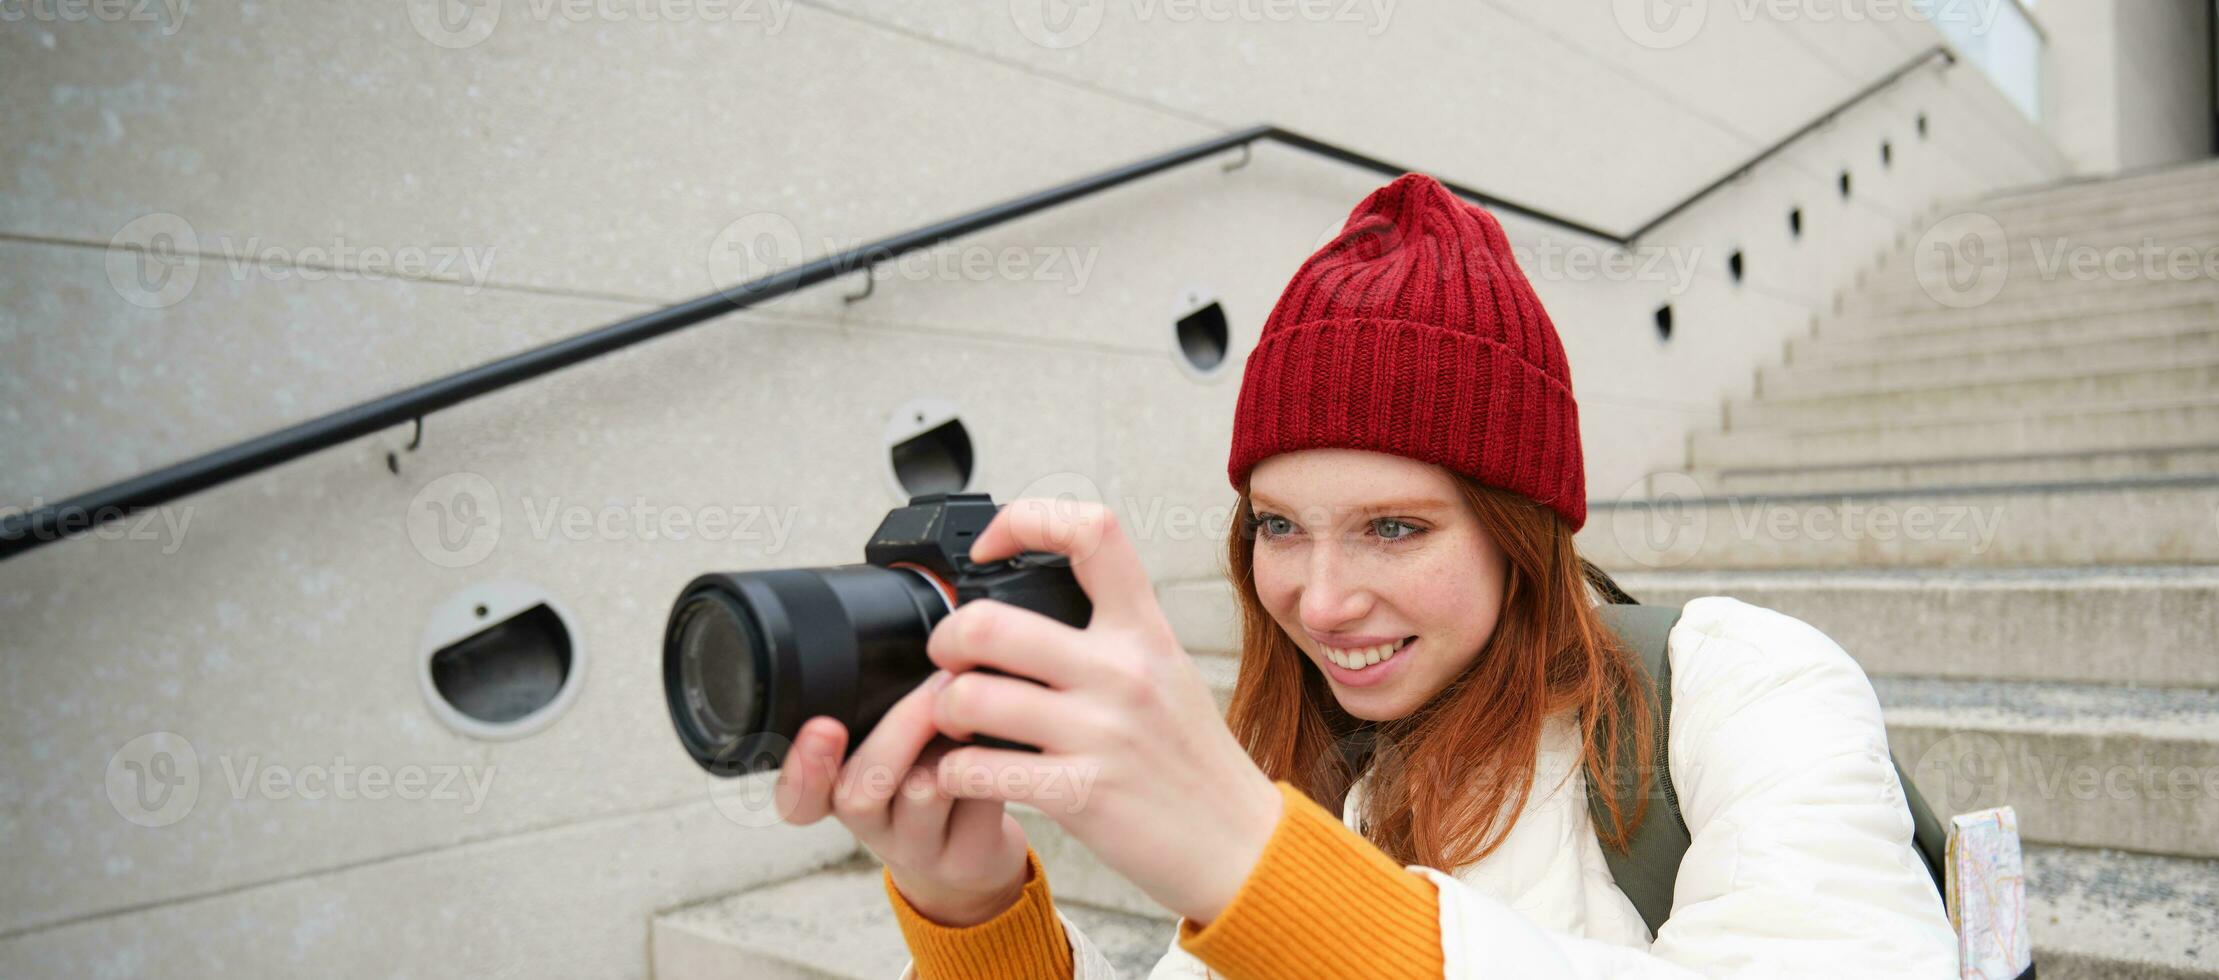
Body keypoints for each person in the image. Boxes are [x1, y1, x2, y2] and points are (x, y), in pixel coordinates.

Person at [773, 173, 1958, 979]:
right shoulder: (1302, 765)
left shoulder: (1738, 681)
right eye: (1280, 527)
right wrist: (976, 910)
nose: (1320, 600)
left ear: (1518, 529)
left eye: (1393, 528)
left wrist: (1257, 864)